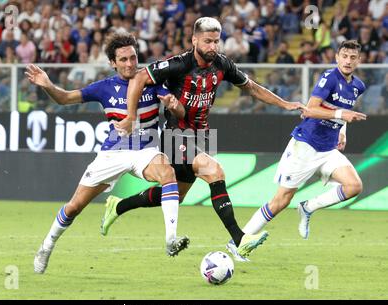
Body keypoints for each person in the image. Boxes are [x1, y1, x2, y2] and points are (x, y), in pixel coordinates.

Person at [106, 17, 305, 262]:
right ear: (194, 40)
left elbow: (251, 87)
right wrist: (131, 116)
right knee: (215, 171)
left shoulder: (222, 65)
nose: (213, 46)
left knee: (176, 195)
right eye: (208, 41)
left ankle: (117, 206)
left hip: (201, 135)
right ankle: (239, 240)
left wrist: (284, 104)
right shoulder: (177, 64)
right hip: (174, 134)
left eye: (216, 41)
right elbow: (138, 79)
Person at [26, 32, 188, 274]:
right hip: (113, 153)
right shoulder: (103, 88)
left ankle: (170, 239)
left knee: (168, 173)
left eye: (133, 58)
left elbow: (181, 113)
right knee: (73, 207)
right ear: (113, 63)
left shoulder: (151, 82)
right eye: (123, 59)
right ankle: (47, 245)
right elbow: (64, 99)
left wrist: (176, 108)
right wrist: (48, 85)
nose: (130, 64)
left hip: (146, 149)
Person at [241, 40, 367, 240]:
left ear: (359, 61)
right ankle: (239, 239)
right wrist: (341, 115)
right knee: (281, 200)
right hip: (306, 145)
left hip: (327, 149)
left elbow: (342, 112)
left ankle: (308, 207)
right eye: (344, 56)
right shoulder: (329, 77)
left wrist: (343, 130)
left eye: (353, 57)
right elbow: (309, 110)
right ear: (337, 58)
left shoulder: (358, 86)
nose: (348, 61)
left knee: (354, 186)